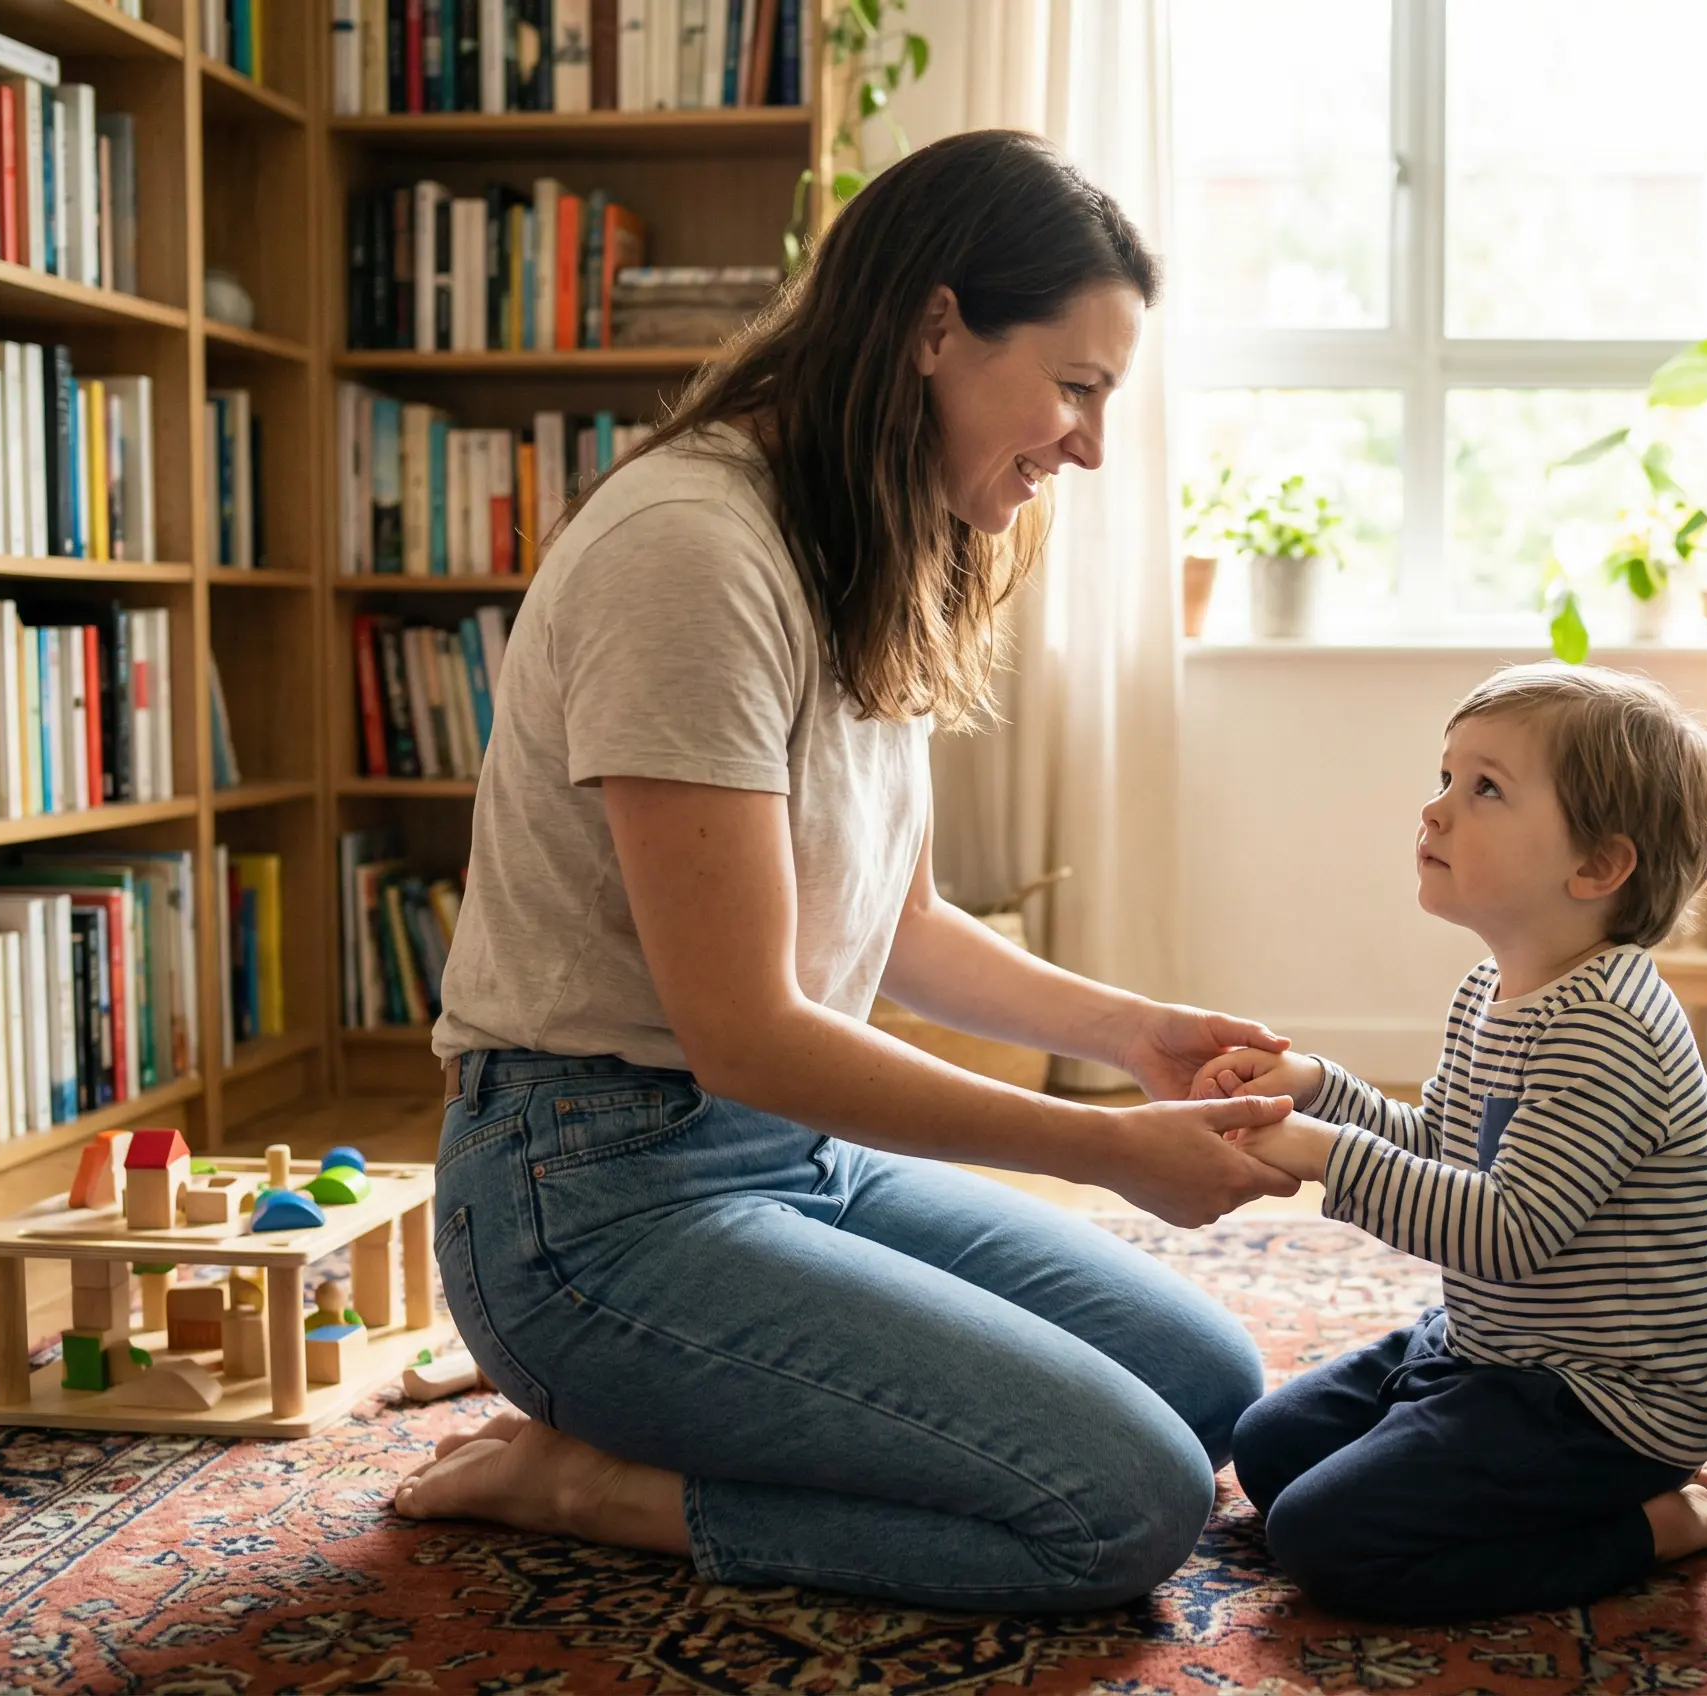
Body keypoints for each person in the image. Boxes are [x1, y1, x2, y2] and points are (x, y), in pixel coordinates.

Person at [390, 130, 1306, 1613]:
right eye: (1075, 386)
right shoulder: (689, 554)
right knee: (1124, 1507)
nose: (1088, 445)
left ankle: (701, 1412)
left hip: (792, 1155)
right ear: (935, 328)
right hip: (592, 1198)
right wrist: (1101, 1147)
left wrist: (1132, 1035)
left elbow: (905, 925)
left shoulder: (870, 538)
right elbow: (746, 1030)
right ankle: (594, 1481)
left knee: (1208, 1385)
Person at [1190, 663, 1707, 1622]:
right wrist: (1314, 1085)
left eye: (1485, 788)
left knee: (1325, 1540)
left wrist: (1318, 1151)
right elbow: (1443, 1147)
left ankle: (1648, 1523)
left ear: (1598, 867)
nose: (1435, 809)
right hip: (1495, 1349)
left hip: (1601, 1405)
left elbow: (1507, 1231)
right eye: (1446, 777)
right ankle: (1518, 1483)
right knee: (1270, 1449)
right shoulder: (1491, 994)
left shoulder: (1609, 1029)